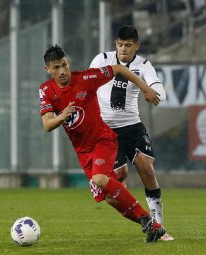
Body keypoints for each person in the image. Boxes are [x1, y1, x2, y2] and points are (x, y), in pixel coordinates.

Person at [39, 44, 166, 242]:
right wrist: (62, 116)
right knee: (109, 198)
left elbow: (119, 69)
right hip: (83, 152)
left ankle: (149, 221)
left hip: (103, 140)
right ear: (48, 70)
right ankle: (151, 225)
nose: (62, 71)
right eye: (56, 68)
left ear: (68, 62)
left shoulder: (86, 78)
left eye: (64, 65)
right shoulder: (46, 90)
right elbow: (47, 124)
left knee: (100, 179)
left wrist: (145, 88)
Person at [90, 25, 174, 241]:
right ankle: (139, 215)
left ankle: (159, 226)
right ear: (114, 44)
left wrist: (154, 92)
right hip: (106, 130)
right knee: (119, 177)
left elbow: (158, 88)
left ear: (137, 46)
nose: (123, 49)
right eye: (120, 45)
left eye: (128, 45)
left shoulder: (144, 65)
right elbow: (88, 85)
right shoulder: (102, 60)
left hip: (132, 126)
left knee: (146, 167)